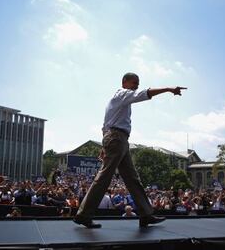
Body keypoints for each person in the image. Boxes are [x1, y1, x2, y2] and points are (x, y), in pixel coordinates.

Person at [73, 72, 186, 228]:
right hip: (117, 138)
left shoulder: (119, 100)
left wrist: (104, 146)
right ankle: (83, 215)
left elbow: (105, 124)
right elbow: (144, 93)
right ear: (124, 82)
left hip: (118, 139)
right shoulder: (123, 94)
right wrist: (168, 89)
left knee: (132, 179)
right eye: (134, 83)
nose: (136, 86)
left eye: (138, 83)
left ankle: (146, 214)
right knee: (105, 176)